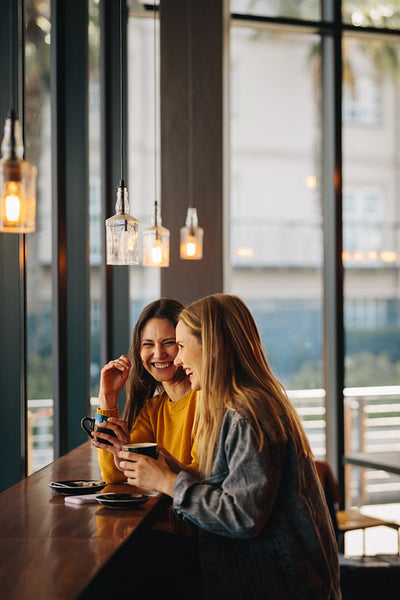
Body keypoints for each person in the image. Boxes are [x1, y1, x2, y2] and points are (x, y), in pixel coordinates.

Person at [118, 294, 342, 599]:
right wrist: (173, 468)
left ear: (212, 347)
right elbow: (233, 488)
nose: (179, 361)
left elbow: (242, 517)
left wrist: (168, 482)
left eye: (181, 346)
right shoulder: (235, 406)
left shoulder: (247, 414)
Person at [93, 298, 197, 484]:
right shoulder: (153, 409)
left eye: (168, 342)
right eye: (148, 344)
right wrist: (107, 399)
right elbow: (114, 475)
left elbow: (203, 476)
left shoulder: (205, 401)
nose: (158, 354)